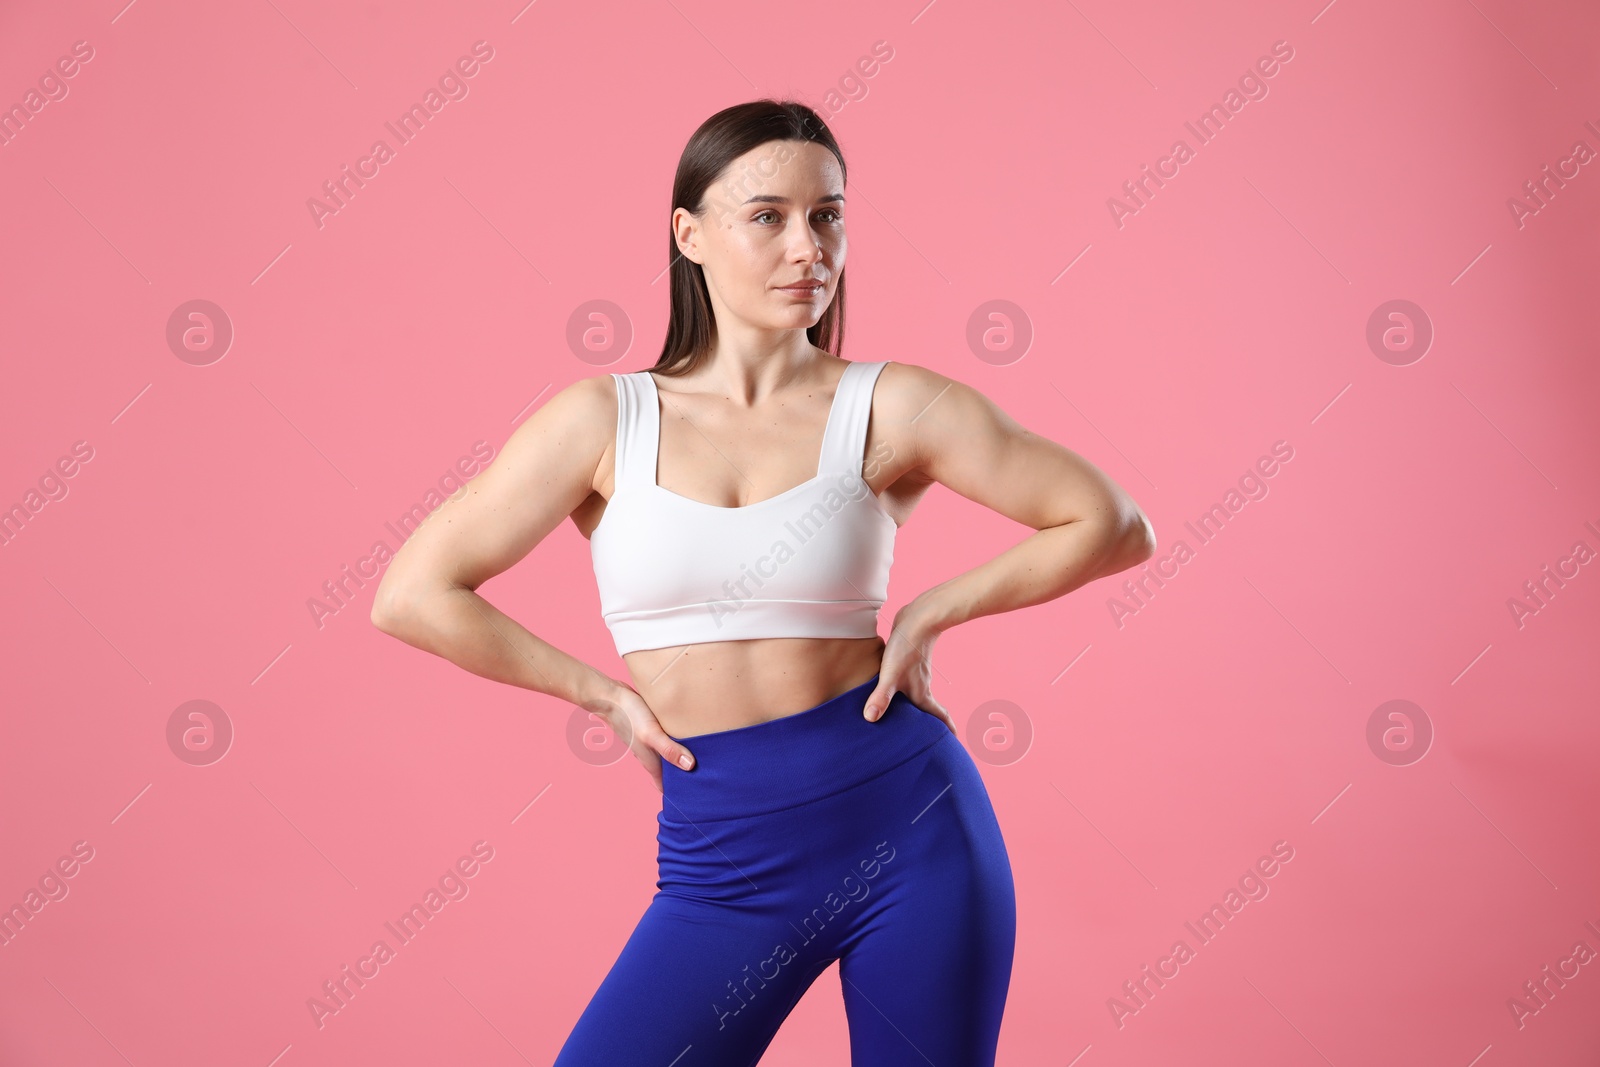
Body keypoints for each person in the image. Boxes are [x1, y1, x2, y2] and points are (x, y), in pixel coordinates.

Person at [372, 99, 1156, 1066]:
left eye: (827, 215)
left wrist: (930, 611)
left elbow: (1114, 524)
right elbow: (412, 593)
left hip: (909, 828)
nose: (807, 248)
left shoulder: (891, 404)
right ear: (688, 234)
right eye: (768, 216)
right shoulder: (600, 421)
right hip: (723, 859)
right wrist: (602, 695)